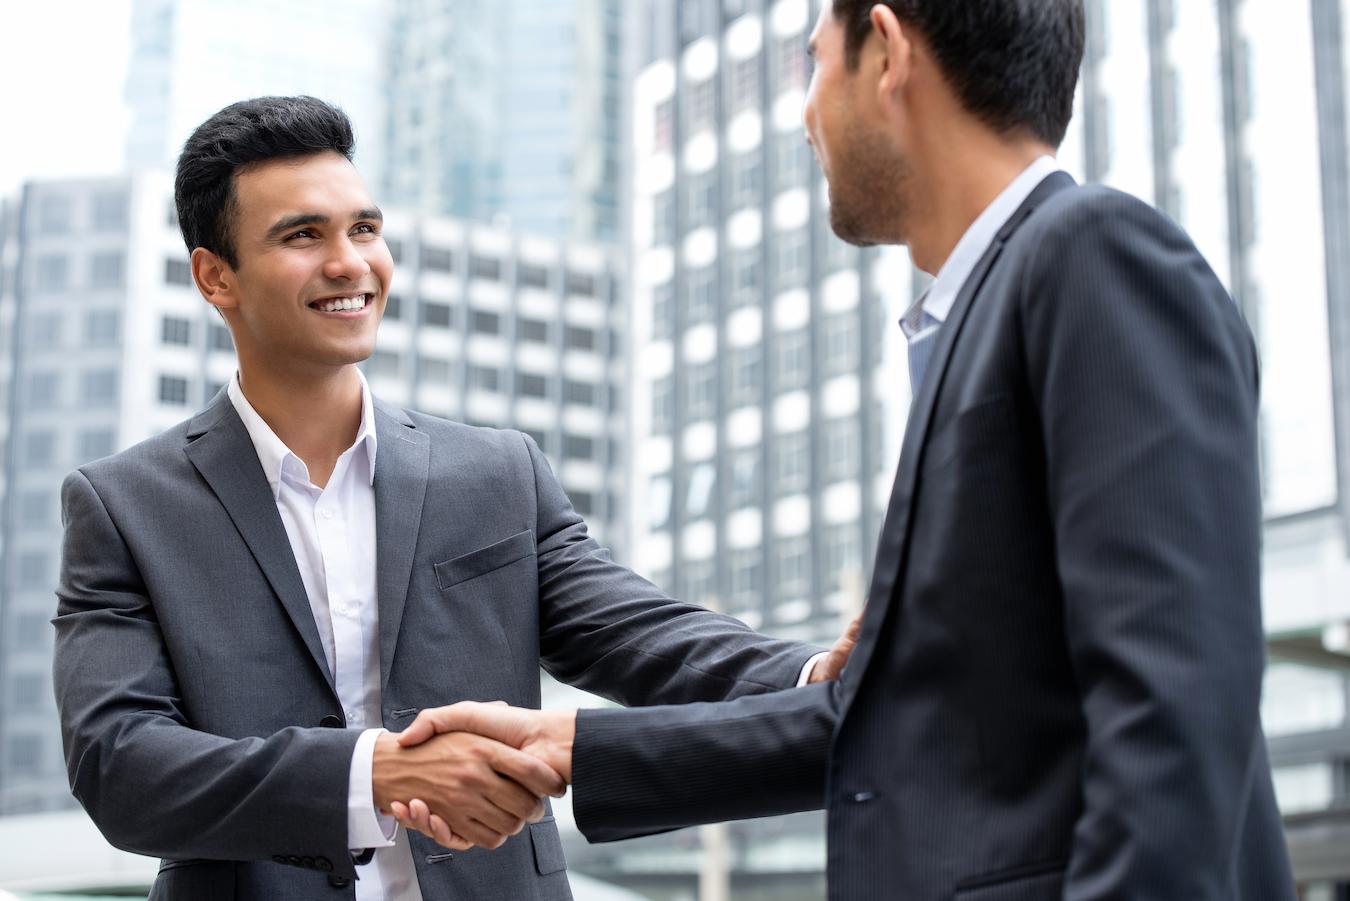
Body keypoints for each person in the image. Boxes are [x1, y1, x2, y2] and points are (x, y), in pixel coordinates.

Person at [392, 1, 1297, 897]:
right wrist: (573, 746)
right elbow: (919, 722)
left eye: (817, 65)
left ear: (888, 53)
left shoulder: (1095, 255)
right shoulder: (983, 312)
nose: (807, 114)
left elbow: (1175, 705)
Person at [52, 95, 858, 901]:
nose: (349, 262)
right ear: (213, 275)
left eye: (364, 229)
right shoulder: (125, 506)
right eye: (304, 235)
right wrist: (374, 773)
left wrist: (815, 674)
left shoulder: (496, 473)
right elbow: (120, 764)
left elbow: (640, 633)